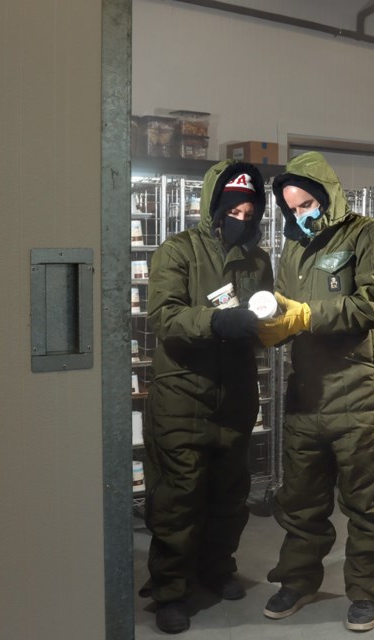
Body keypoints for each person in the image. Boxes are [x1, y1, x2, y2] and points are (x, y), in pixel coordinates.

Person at [257, 151, 374, 632]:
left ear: (325, 196)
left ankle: (365, 592)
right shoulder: (294, 249)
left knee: (366, 501)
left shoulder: (369, 236)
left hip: (360, 394)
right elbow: (286, 307)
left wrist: (307, 316)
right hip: (306, 394)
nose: (300, 213)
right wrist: (274, 327)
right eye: (292, 207)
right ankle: (297, 581)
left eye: (306, 203)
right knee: (300, 500)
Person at [140, 159, 274, 634]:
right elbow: (164, 317)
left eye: (249, 208)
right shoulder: (177, 251)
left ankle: (217, 568)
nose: (242, 216)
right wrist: (216, 321)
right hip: (183, 393)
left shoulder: (258, 260)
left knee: (229, 493)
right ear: (214, 207)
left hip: (236, 394)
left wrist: (272, 327)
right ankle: (171, 589)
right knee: (179, 497)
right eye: (233, 207)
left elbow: (262, 315)